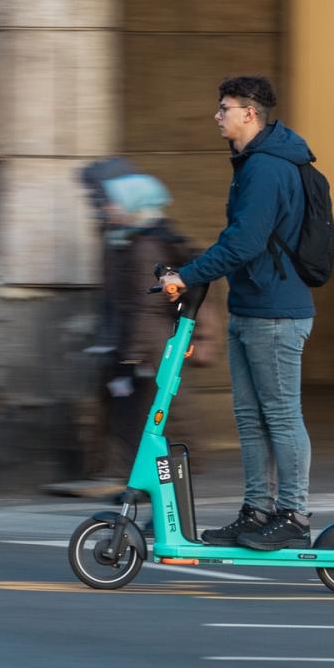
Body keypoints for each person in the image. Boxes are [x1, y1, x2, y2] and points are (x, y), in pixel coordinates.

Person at [157, 75, 318, 552]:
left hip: (276, 313)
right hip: (252, 307)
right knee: (250, 418)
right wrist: (194, 271)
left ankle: (293, 513)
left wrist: (187, 274)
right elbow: (243, 241)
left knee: (282, 417)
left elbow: (244, 241)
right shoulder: (253, 163)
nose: (217, 115)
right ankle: (257, 511)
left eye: (224, 107)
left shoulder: (267, 168)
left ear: (250, 113)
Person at [94, 175, 191, 470]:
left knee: (147, 418)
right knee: (139, 418)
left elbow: (145, 306)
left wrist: (133, 354)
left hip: (148, 345)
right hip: (143, 343)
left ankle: (156, 479)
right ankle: (144, 478)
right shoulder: (130, 239)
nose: (107, 208)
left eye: (113, 202)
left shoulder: (146, 246)